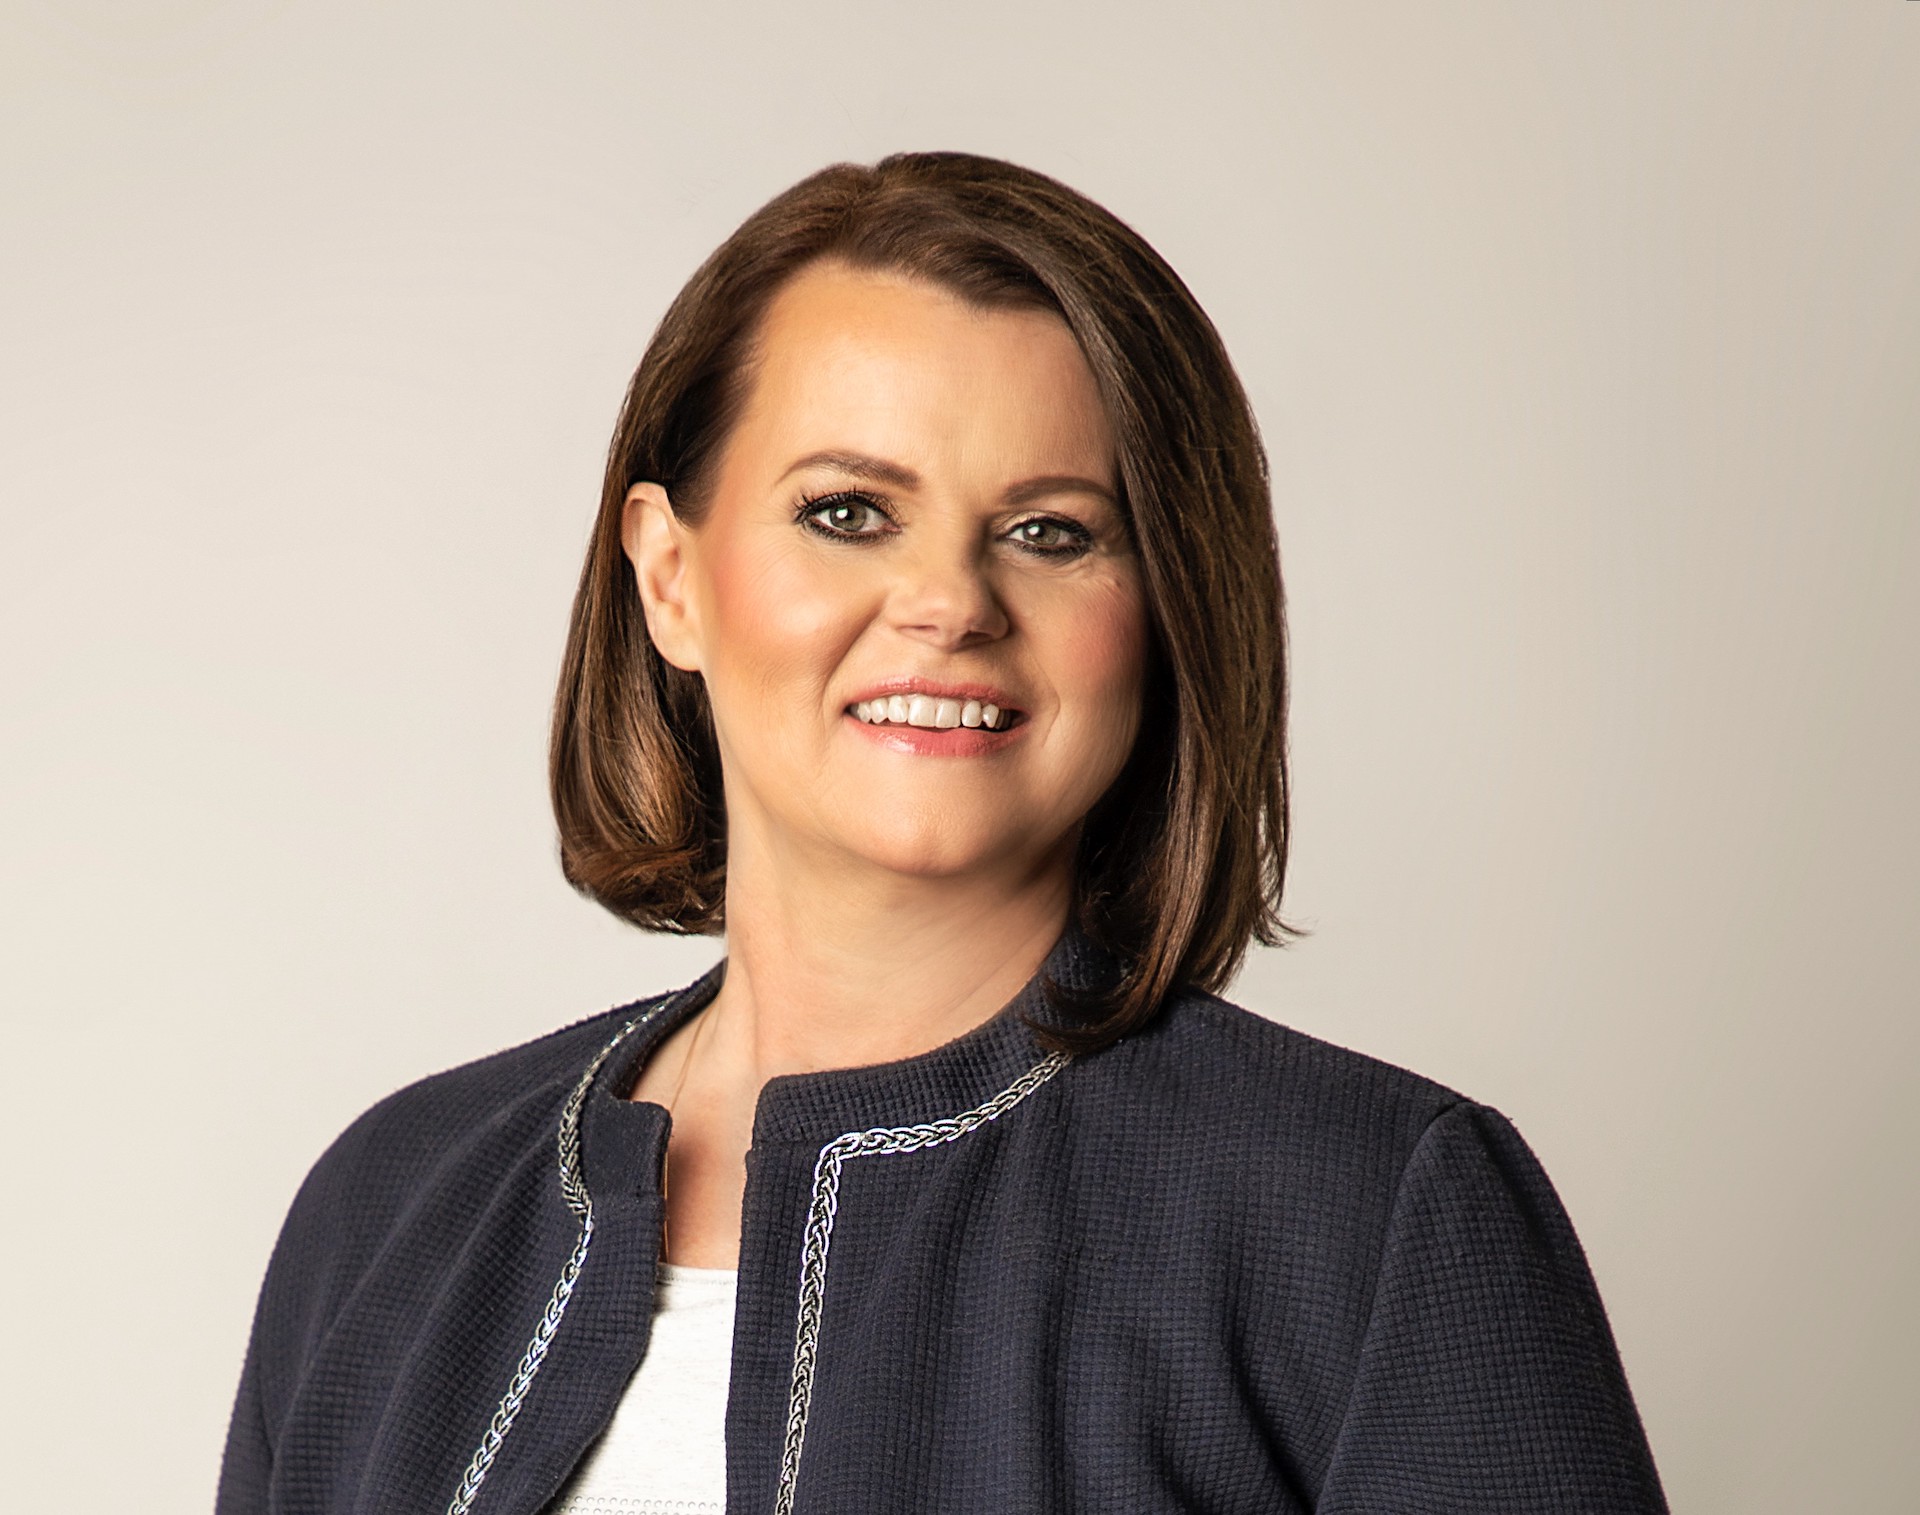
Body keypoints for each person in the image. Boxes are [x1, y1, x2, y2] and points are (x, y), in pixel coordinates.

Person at [217, 152, 1668, 1515]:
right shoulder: (388, 1209)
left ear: (1166, 610)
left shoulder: (1374, 1214)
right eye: (848, 512)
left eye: (1052, 531)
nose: (951, 604)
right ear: (670, 577)